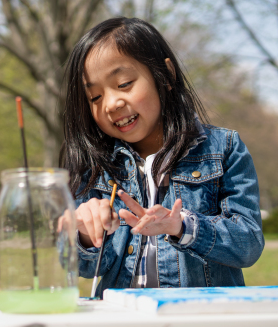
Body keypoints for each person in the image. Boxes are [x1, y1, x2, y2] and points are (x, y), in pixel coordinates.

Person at [61, 17, 264, 296]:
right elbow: (81, 267)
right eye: (95, 97)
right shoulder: (96, 165)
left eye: (124, 83)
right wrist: (85, 234)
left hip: (199, 318)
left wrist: (182, 226)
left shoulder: (223, 147)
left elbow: (248, 244)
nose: (111, 104)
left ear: (166, 75)